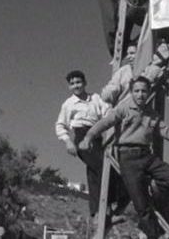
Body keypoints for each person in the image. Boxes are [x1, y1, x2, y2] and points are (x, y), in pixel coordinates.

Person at [79, 76, 169, 239]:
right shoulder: (124, 109)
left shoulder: (152, 114)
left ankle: (155, 191)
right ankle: (153, 234)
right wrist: (88, 137)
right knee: (142, 208)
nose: (140, 95)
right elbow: (105, 123)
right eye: (136, 91)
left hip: (146, 156)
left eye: (144, 91)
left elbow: (167, 133)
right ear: (131, 92)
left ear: (149, 92)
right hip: (128, 158)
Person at [55, 70, 128, 223]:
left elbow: (107, 112)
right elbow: (60, 125)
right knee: (103, 167)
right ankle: (106, 210)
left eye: (79, 82)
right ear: (69, 87)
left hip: (97, 135)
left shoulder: (95, 98)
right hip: (81, 137)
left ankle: (96, 214)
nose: (76, 85)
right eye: (73, 83)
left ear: (85, 83)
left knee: (94, 173)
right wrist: (68, 141)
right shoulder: (69, 104)